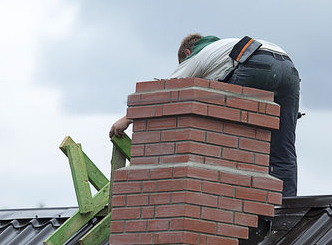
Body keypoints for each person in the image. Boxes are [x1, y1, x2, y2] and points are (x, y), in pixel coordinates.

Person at [110, 33, 300, 198]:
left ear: (186, 53)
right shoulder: (222, 49)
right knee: (283, 148)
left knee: (225, 134)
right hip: (289, 69)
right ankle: (286, 208)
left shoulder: (197, 55)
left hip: (254, 63)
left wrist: (127, 119)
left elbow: (166, 90)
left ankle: (229, 195)